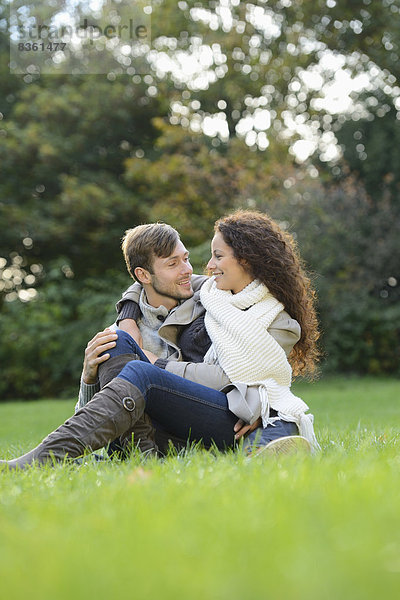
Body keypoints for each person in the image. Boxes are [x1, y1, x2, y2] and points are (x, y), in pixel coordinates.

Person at [0, 211, 320, 469]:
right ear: (144, 274)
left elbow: (232, 376)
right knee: (116, 341)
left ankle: (37, 461)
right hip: (164, 423)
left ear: (246, 260)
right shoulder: (211, 293)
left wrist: (156, 363)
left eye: (207, 257)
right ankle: (139, 454)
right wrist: (98, 362)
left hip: (229, 414)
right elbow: (96, 406)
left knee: (142, 372)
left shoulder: (258, 314)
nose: (197, 268)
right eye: (174, 262)